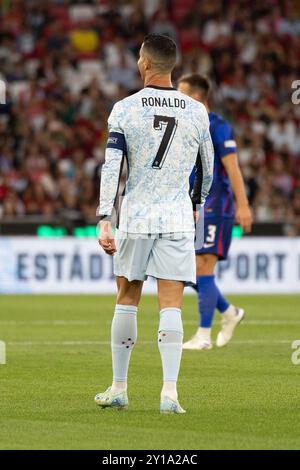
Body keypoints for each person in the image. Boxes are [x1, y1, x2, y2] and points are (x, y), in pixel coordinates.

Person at [95, 35, 214, 413]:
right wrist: (196, 204)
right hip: (177, 216)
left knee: (127, 298)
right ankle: (169, 393)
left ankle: (119, 388)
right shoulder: (196, 111)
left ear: (145, 63)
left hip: (137, 216)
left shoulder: (125, 109)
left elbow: (112, 165)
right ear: (172, 66)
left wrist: (104, 216)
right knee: (172, 305)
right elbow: (206, 168)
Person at [178, 74, 253, 351]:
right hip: (195, 207)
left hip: (217, 207)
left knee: (202, 266)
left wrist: (243, 206)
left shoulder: (217, 126)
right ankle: (229, 312)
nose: (177, 97)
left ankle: (203, 334)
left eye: (181, 93)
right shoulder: (186, 127)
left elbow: (233, 168)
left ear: (196, 97)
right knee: (188, 272)